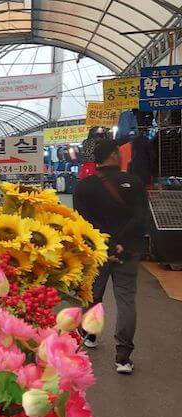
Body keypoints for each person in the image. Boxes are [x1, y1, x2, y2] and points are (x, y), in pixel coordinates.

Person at [72, 137, 149, 374]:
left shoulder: (83, 187)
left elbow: (83, 224)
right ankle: (123, 357)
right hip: (128, 251)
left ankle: (90, 334)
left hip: (98, 252)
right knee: (126, 300)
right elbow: (140, 218)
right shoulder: (134, 182)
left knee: (93, 295)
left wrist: (107, 244)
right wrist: (121, 244)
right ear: (115, 155)